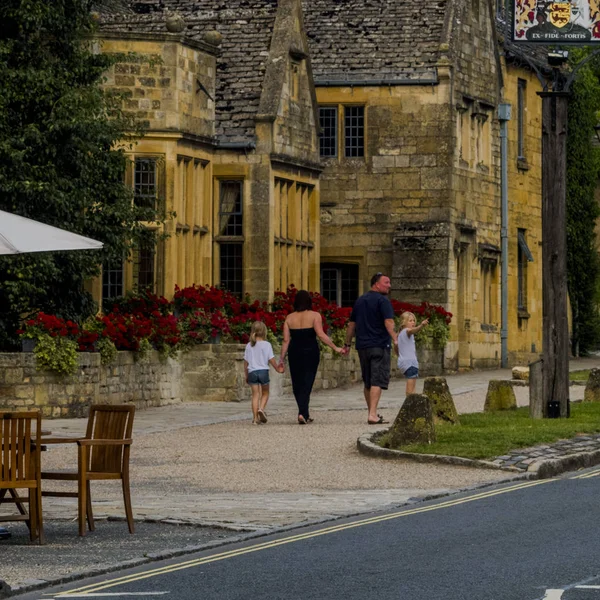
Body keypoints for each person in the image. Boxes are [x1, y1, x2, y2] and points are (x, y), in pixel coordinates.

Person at [279, 290, 343, 424]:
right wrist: (335, 347)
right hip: (310, 350)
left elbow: (286, 340)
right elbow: (320, 334)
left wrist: (281, 358)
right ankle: (302, 413)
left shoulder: (289, 318)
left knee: (297, 382)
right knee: (308, 380)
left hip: (295, 351)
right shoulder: (315, 315)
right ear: (309, 301)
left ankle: (304, 413)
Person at [343, 272, 398, 425]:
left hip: (363, 347)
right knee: (377, 380)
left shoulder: (360, 301)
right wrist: (395, 339)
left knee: (368, 381)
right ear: (376, 284)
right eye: (386, 282)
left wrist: (347, 344)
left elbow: (351, 325)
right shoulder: (383, 301)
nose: (389, 285)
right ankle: (373, 414)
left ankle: (371, 412)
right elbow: (388, 322)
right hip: (379, 345)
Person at [244, 321, 283, 425]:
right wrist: (277, 368)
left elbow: (245, 363)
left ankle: (255, 418)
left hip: (252, 372)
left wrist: (246, 375)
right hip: (263, 372)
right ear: (264, 332)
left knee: (255, 395)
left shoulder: (248, 345)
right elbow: (271, 359)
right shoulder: (267, 345)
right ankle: (261, 409)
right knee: (265, 393)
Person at [397, 311, 429, 395]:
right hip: (410, 363)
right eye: (410, 321)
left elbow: (397, 347)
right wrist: (421, 325)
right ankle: (409, 404)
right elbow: (413, 330)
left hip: (403, 362)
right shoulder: (407, 331)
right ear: (404, 323)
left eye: (413, 320)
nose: (413, 322)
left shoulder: (400, 334)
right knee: (411, 391)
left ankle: (412, 403)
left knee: (413, 390)